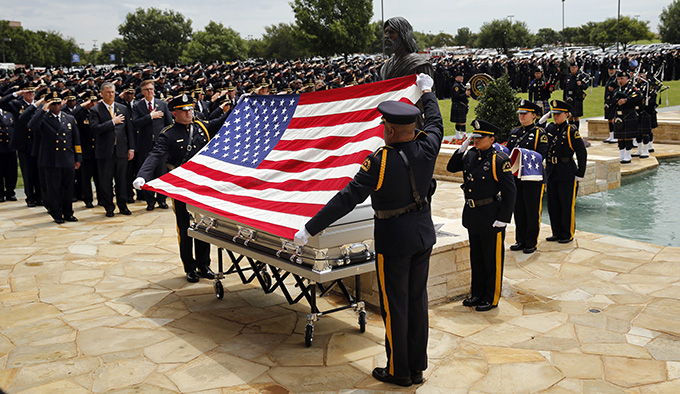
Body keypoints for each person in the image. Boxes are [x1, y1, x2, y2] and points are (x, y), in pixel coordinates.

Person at [294, 74, 441, 387]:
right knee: (417, 301)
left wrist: (310, 227)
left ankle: (399, 371)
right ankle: (416, 367)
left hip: (394, 241)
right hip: (422, 235)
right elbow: (437, 121)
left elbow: (346, 199)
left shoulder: (380, 161)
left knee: (395, 306)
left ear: (387, 129)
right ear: (413, 128)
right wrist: (427, 92)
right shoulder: (428, 146)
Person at [133, 93, 231, 283]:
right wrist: (142, 175)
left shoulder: (201, 126)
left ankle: (204, 264)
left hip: (201, 185)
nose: (188, 113)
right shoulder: (168, 134)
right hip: (181, 186)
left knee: (203, 224)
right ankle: (190, 266)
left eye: (190, 109)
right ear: (174, 113)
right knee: (185, 226)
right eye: (184, 110)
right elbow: (156, 155)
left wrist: (241, 103)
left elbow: (222, 120)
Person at [446, 119, 516, 312]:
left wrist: (503, 218)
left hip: (491, 215)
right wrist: (462, 148)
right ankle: (476, 293)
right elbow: (451, 168)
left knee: (491, 259)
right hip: (473, 214)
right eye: (474, 136)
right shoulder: (470, 155)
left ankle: (491, 297)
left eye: (480, 137)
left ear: (492, 139)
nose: (476, 140)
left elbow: (510, 192)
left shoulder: (499, 160)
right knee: (476, 257)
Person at [27, 90, 82, 223]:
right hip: (51, 160)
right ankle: (57, 214)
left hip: (67, 159)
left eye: (58, 104)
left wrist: (78, 158)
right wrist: (42, 110)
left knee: (68, 189)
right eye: (53, 104)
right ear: (49, 105)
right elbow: (31, 126)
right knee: (54, 189)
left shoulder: (68, 118)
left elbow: (76, 140)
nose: (56, 107)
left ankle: (68, 212)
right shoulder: (43, 118)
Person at [506, 100, 548, 254]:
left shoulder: (539, 134)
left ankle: (531, 241)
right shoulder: (515, 132)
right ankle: (520, 239)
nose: (521, 116)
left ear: (534, 115)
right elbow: (508, 153)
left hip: (533, 179)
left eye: (525, 113)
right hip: (516, 177)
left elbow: (541, 155)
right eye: (520, 113)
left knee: (532, 210)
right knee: (518, 210)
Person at [89, 81, 135, 217]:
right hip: (105, 151)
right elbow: (95, 129)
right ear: (101, 93)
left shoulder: (123, 108)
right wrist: (111, 122)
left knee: (122, 180)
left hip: (121, 150)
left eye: (113, 92)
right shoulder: (95, 110)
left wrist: (131, 148)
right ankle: (109, 207)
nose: (111, 95)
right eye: (108, 92)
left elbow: (129, 130)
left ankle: (123, 205)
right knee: (106, 181)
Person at [544, 100, 588, 243]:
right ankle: (556, 232)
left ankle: (567, 233)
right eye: (554, 114)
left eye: (559, 114)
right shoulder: (550, 128)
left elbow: (582, 152)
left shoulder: (571, 131)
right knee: (553, 204)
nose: (555, 116)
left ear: (566, 115)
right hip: (552, 171)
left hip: (566, 171)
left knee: (566, 204)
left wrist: (580, 172)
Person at [131, 80, 173, 210]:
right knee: (147, 173)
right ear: (142, 92)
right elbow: (135, 123)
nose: (149, 92)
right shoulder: (138, 106)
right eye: (146, 90)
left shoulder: (162, 104)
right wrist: (150, 116)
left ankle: (162, 200)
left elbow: (169, 124)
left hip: (161, 144)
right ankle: (150, 201)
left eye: (151, 89)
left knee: (161, 172)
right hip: (145, 144)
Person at [611, 70, 642, 164]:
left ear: (627, 79)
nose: (620, 80)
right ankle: (621, 154)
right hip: (619, 115)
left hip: (629, 115)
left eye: (622, 78)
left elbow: (638, 97)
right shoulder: (616, 90)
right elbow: (613, 104)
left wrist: (626, 100)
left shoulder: (632, 89)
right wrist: (613, 116)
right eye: (618, 79)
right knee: (620, 137)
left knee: (628, 137)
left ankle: (628, 155)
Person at [562, 61, 588, 129]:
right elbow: (565, 89)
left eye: (574, 67)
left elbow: (585, 86)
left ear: (577, 68)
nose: (572, 69)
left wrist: (581, 84)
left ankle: (576, 131)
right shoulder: (568, 77)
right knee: (569, 116)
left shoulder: (581, 76)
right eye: (571, 67)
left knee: (576, 116)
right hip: (569, 99)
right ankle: (570, 131)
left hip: (577, 99)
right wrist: (564, 99)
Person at [0, 105, 17, 202]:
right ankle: (0, 193)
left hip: (10, 147)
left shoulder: (9, 114)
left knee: (11, 171)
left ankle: (10, 192)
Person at [449, 70, 469, 140]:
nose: (461, 78)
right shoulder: (456, 86)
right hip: (458, 105)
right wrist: (465, 94)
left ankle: (458, 135)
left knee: (460, 121)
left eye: (462, 77)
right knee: (462, 121)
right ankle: (463, 135)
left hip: (461, 105)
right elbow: (456, 96)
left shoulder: (460, 85)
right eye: (460, 77)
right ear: (456, 78)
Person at [602, 64, 619, 143]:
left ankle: (615, 136)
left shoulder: (617, 79)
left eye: (612, 70)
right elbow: (606, 92)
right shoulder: (609, 79)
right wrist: (605, 102)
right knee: (609, 119)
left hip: (614, 101)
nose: (611, 71)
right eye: (610, 70)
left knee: (613, 119)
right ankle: (611, 135)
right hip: (608, 101)